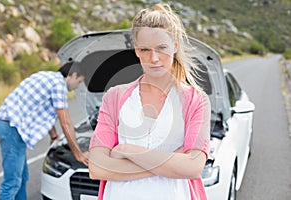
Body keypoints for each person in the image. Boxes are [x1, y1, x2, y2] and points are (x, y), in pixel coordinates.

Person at [88, 3, 211, 200]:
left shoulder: (196, 100)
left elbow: (193, 167)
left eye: (162, 48)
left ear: (175, 46)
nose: (153, 58)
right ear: (136, 50)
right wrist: (173, 162)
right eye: (145, 49)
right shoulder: (115, 96)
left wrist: (128, 150)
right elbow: (96, 168)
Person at [0, 61, 89, 200]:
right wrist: (78, 154)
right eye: (79, 81)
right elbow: (66, 122)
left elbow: (42, 110)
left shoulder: (47, 76)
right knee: (12, 182)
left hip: (10, 125)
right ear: (73, 75)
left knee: (21, 177)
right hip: (12, 129)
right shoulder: (58, 85)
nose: (78, 86)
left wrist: (53, 135)